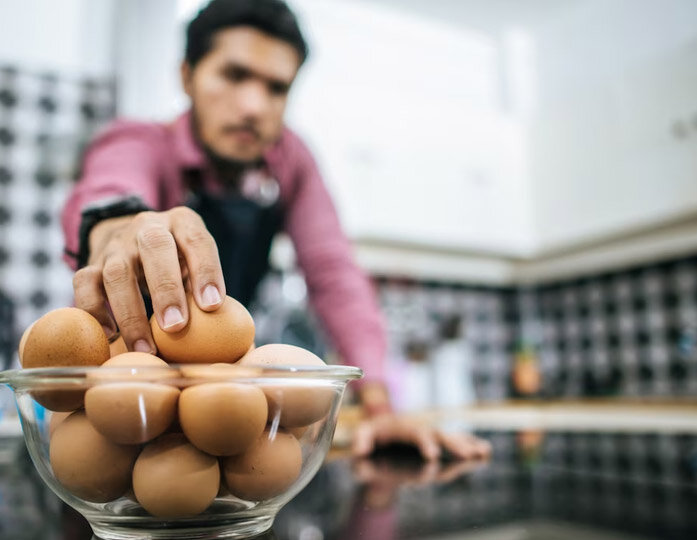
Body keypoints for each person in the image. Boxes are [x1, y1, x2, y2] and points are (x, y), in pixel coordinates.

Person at [61, 0, 490, 460]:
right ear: (187, 76)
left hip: (219, 404)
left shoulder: (291, 162)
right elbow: (108, 192)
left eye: (276, 87)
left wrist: (380, 404)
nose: (252, 106)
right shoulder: (142, 141)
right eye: (234, 75)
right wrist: (117, 228)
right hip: (125, 400)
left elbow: (334, 274)